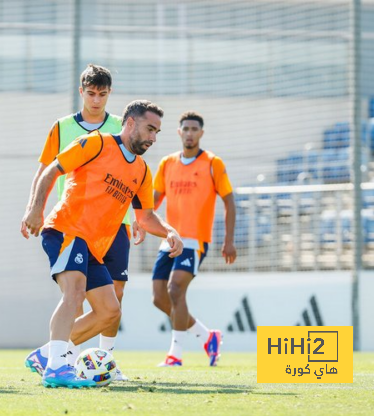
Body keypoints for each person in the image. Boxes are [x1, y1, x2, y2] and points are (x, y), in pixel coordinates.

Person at [22, 100, 183, 388]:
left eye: (157, 132)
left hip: (93, 245)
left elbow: (145, 217)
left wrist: (168, 231)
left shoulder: (143, 171)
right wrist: (35, 209)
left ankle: (49, 354)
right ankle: (57, 368)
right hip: (65, 230)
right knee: (75, 292)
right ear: (130, 123)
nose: (153, 138)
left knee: (110, 311)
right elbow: (52, 170)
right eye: (149, 129)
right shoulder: (94, 144)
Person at [22, 64, 144, 382]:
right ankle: (60, 360)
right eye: (91, 94)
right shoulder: (62, 127)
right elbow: (46, 169)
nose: (96, 100)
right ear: (81, 92)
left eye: (102, 95)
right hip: (73, 222)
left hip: (116, 225)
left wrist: (142, 220)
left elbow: (133, 176)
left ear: (109, 94)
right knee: (75, 295)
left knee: (113, 297)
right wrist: (33, 208)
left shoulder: (122, 126)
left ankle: (101, 358)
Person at [152, 111, 236, 367]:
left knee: (175, 289)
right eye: (185, 129)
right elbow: (153, 201)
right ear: (179, 132)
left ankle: (175, 355)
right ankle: (206, 336)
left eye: (194, 129)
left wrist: (228, 240)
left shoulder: (212, 163)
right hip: (170, 239)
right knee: (159, 298)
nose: (189, 133)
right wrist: (139, 222)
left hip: (195, 240)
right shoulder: (167, 163)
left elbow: (229, 202)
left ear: (201, 133)